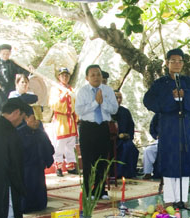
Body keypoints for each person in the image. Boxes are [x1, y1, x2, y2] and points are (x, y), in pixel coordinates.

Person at [143, 48, 190, 206]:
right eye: (173, 61)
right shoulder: (160, 84)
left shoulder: (189, 83)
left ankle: (183, 199)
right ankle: (169, 199)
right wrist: (170, 97)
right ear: (167, 63)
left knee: (185, 161)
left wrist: (186, 95)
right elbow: (149, 101)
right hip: (168, 128)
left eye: (180, 61)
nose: (177, 64)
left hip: (185, 127)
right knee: (169, 161)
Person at [75, 64, 118, 199]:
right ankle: (88, 192)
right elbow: (79, 110)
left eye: (98, 74)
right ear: (87, 78)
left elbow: (114, 109)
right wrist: (95, 103)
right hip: (88, 127)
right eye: (92, 75)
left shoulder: (108, 90)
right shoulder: (83, 91)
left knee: (103, 161)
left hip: (103, 127)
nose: (96, 77)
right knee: (88, 161)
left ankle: (101, 191)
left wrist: (102, 103)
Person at [16, 111, 54, 213]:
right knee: (27, 187)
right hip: (25, 167)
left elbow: (50, 148)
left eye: (38, 120)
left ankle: (39, 205)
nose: (36, 122)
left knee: (39, 186)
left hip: (38, 166)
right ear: (26, 119)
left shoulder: (41, 133)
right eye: (33, 119)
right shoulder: (19, 133)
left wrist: (46, 159)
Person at [0, 44, 28, 120]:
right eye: (3, 54)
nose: (5, 55)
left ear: (10, 53)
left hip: (11, 94)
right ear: (0, 53)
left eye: (7, 54)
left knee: (12, 115)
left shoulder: (13, 64)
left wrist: (29, 67)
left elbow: (24, 72)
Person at [49, 67, 79, 176]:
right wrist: (62, 96)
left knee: (70, 145)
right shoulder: (55, 89)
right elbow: (53, 104)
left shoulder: (71, 89)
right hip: (61, 119)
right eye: (62, 75)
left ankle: (71, 166)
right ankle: (59, 167)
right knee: (59, 145)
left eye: (67, 75)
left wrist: (76, 116)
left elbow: (76, 103)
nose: (65, 77)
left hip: (70, 119)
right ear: (59, 77)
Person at [113, 91, 138, 178]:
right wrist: (117, 136)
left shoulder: (125, 111)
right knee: (125, 148)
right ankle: (119, 173)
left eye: (120, 97)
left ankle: (130, 173)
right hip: (113, 140)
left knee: (132, 148)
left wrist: (128, 135)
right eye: (116, 97)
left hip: (125, 139)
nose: (119, 100)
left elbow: (131, 126)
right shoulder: (108, 111)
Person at [143, 113, 160, 179]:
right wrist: (156, 136)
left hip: (175, 142)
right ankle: (148, 172)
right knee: (148, 150)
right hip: (160, 141)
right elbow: (152, 128)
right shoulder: (158, 114)